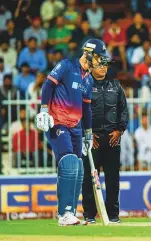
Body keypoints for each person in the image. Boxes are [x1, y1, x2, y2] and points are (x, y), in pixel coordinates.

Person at [35, 39, 108, 226]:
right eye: (99, 58)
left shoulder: (89, 79)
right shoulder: (66, 65)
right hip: (57, 122)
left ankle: (71, 212)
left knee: (77, 167)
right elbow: (48, 85)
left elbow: (87, 108)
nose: (101, 62)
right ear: (89, 54)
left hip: (76, 127)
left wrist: (88, 133)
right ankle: (64, 213)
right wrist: (44, 110)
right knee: (68, 162)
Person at [81, 47, 128, 224]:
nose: (103, 67)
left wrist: (120, 130)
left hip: (112, 138)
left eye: (105, 64)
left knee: (113, 179)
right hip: (92, 140)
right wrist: (87, 134)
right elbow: (79, 112)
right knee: (88, 179)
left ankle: (113, 215)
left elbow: (124, 111)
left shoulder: (116, 86)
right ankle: (89, 215)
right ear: (91, 67)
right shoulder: (84, 85)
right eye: (99, 64)